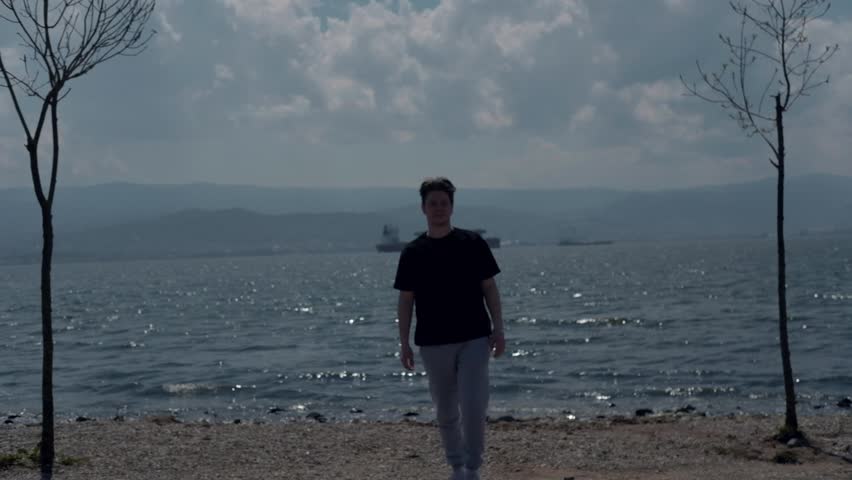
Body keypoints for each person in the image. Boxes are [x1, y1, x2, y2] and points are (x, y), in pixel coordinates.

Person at [393, 177, 505, 480]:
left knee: (473, 403)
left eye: (444, 203)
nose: (439, 208)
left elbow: (490, 288)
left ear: (452, 207)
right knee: (445, 410)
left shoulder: (472, 243)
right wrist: (403, 342)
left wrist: (499, 328)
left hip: (475, 337)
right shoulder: (413, 252)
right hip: (432, 342)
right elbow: (406, 302)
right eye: (433, 203)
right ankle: (456, 466)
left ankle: (472, 467)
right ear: (423, 208)